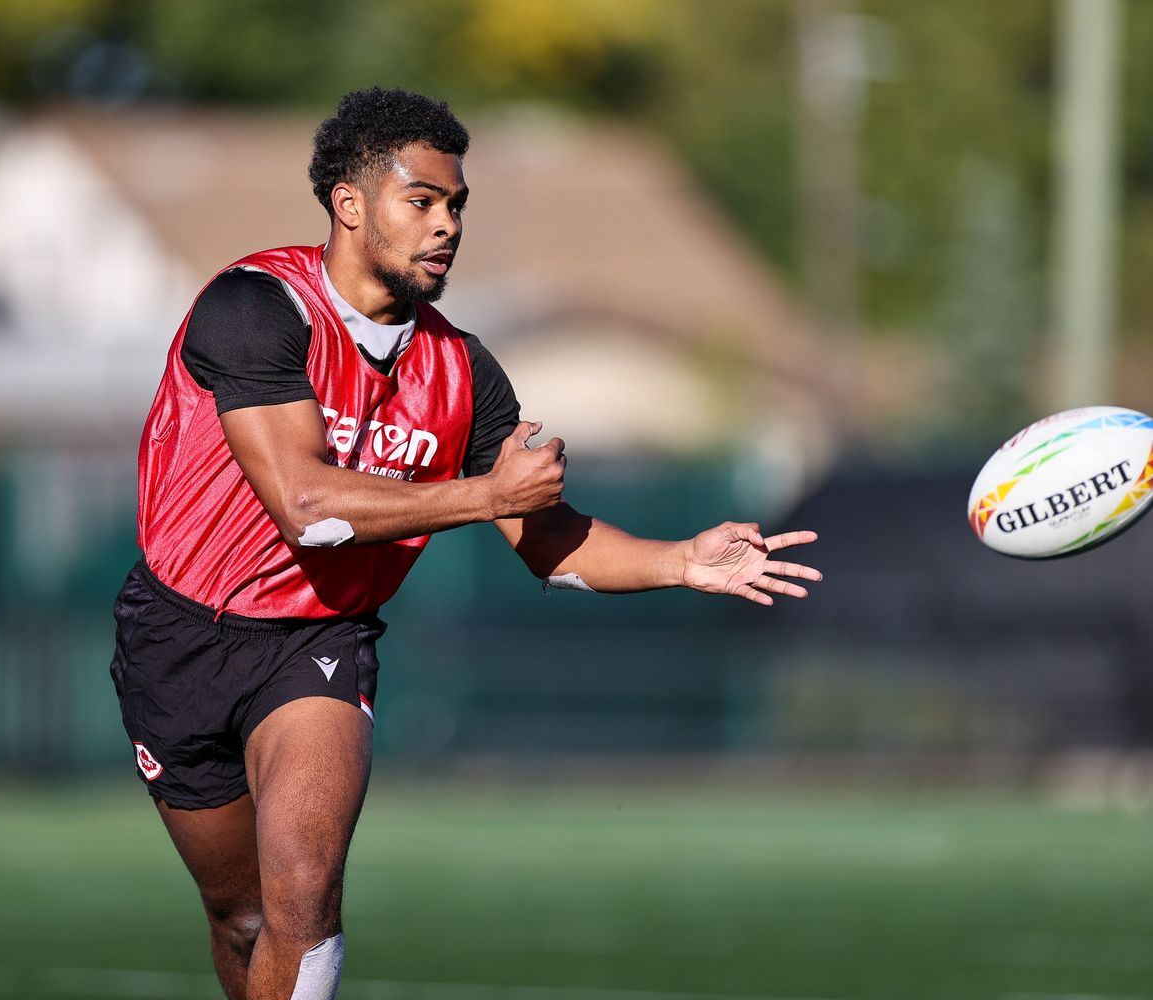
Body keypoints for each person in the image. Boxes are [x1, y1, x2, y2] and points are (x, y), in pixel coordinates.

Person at [110, 87, 822, 1000]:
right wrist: (485, 493)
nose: (446, 225)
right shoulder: (253, 309)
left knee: (304, 895)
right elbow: (305, 506)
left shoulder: (463, 368)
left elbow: (547, 540)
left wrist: (679, 559)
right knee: (240, 916)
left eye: (457, 206)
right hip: (179, 636)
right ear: (350, 204)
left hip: (319, 640)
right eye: (424, 201)